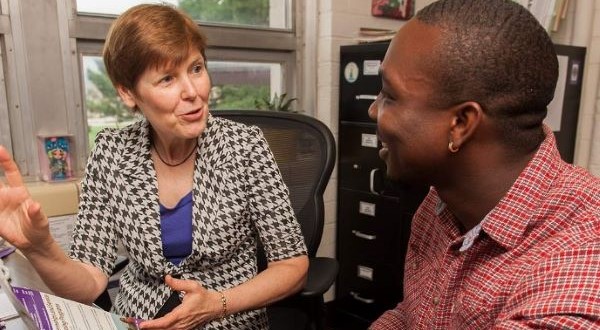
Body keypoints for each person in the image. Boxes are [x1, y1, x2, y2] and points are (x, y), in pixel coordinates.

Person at [0, 4, 308, 329]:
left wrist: (217, 305)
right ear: (128, 93)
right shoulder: (111, 152)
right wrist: (39, 248)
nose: (193, 92)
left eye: (196, 68)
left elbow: (293, 265)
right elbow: (89, 282)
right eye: (167, 79)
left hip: (228, 319)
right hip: (139, 320)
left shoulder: (245, 146)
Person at [367, 0, 600, 329]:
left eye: (390, 96)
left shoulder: (575, 276)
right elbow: (412, 317)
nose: (373, 111)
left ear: (461, 123)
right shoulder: (442, 199)